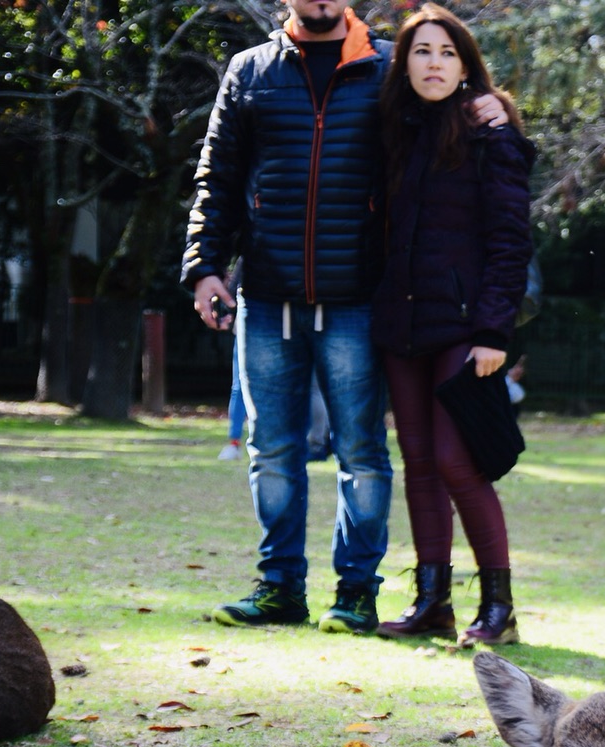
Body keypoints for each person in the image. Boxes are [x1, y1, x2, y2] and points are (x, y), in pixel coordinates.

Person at [182, 0, 504, 633]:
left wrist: (491, 106)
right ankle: (279, 589)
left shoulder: (388, 66)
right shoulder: (249, 71)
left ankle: (355, 592)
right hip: (267, 293)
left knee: (362, 453)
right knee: (271, 451)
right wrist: (204, 267)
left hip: (359, 298)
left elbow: (447, 111)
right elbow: (216, 175)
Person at [368, 4, 533, 646]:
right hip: (401, 322)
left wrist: (495, 331)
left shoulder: (490, 133)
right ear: (403, 63)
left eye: (446, 53)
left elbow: (510, 239)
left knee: (456, 461)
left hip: (466, 325)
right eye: (421, 52)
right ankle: (431, 601)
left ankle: (499, 609)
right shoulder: (393, 129)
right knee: (418, 463)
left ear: (466, 66)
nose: (433, 64)